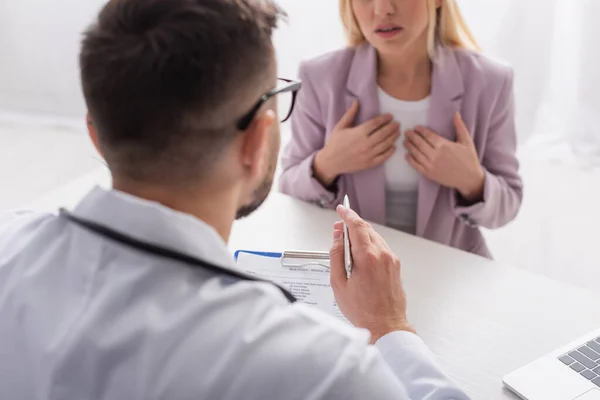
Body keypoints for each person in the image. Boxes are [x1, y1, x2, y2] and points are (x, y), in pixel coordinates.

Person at [0, 0, 470, 398]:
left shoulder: (9, 246)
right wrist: (389, 326)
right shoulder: (324, 371)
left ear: (95, 134)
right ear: (257, 141)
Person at [279, 0, 523, 258]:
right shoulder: (320, 76)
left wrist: (473, 182)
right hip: (353, 270)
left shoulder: (491, 81)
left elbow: (508, 204)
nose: (382, 9)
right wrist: (326, 164)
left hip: (450, 271)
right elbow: (287, 189)